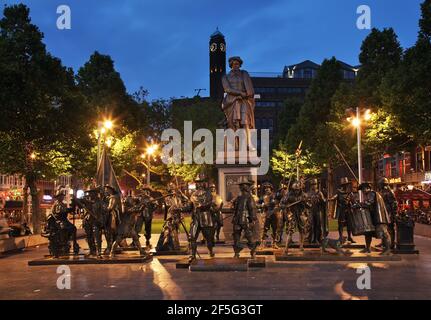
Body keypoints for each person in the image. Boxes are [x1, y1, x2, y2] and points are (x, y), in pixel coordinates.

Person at [222, 56, 255, 148]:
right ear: (231, 65)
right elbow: (227, 89)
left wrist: (247, 95)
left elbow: (249, 89)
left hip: (244, 101)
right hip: (231, 102)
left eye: (238, 64)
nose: (236, 66)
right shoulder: (225, 77)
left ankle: (248, 143)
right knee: (233, 124)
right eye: (234, 64)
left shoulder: (244, 74)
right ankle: (235, 144)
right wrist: (240, 93)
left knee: (245, 122)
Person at [185, 174, 216, 261]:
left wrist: (200, 206)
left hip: (205, 218)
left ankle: (210, 250)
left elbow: (208, 204)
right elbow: (189, 207)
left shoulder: (208, 193)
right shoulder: (193, 195)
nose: (199, 184)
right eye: (197, 182)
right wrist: (179, 209)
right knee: (192, 237)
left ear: (204, 183)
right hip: (195, 219)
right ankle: (193, 255)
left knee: (209, 238)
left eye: (201, 182)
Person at [357, 183, 392, 255]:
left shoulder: (372, 193)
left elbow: (369, 203)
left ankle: (388, 249)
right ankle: (367, 248)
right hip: (374, 217)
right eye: (362, 190)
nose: (362, 191)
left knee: (384, 233)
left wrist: (358, 205)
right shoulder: (370, 194)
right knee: (368, 233)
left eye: (363, 189)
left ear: (368, 188)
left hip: (379, 217)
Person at [43, 188, 79, 257]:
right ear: (58, 197)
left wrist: (72, 208)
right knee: (62, 229)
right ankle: (63, 243)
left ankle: (74, 243)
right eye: (61, 196)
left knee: (73, 228)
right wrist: (68, 210)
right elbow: (59, 212)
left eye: (62, 196)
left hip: (64, 220)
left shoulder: (62, 204)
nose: (62, 197)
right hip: (59, 220)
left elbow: (65, 211)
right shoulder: (56, 204)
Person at [280, 182, 311, 254]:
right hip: (292, 214)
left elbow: (309, 205)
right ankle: (286, 248)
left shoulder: (304, 195)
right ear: (293, 189)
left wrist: (305, 202)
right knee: (290, 231)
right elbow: (282, 203)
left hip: (301, 214)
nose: (296, 191)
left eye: (298, 190)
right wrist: (283, 206)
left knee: (302, 230)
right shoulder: (288, 195)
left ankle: (301, 246)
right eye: (295, 190)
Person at [231, 177, 258, 259]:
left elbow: (252, 208)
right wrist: (233, 207)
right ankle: (236, 253)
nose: (241, 187)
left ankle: (253, 251)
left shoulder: (249, 197)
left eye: (243, 186)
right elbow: (234, 208)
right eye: (241, 186)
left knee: (249, 236)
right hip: (237, 219)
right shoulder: (238, 198)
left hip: (246, 219)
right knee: (236, 236)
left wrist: (253, 219)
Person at [329, 177, 356, 244]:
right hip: (342, 211)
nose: (345, 186)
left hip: (348, 211)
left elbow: (354, 202)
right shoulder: (339, 193)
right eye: (344, 185)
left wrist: (354, 205)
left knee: (349, 224)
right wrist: (330, 199)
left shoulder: (350, 193)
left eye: (346, 185)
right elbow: (334, 197)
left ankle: (349, 236)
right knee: (341, 224)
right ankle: (340, 237)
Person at [377, 178, 397, 249]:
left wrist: (393, 214)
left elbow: (394, 203)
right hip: (383, 211)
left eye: (380, 184)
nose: (379, 185)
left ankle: (391, 244)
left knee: (390, 228)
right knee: (384, 228)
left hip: (389, 212)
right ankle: (383, 242)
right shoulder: (381, 191)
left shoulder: (389, 192)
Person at [260, 182, 280, 248]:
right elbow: (258, 204)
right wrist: (262, 205)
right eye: (265, 188)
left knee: (275, 229)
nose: (267, 189)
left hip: (274, 214)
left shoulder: (275, 195)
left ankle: (274, 243)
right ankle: (262, 243)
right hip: (267, 214)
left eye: (268, 188)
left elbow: (277, 203)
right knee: (265, 229)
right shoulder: (262, 197)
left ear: (271, 189)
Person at [308, 179, 328, 244]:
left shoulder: (319, 193)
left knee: (318, 225)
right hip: (311, 211)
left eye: (315, 184)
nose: (314, 186)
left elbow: (324, 202)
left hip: (318, 211)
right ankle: (312, 238)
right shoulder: (309, 193)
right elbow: (306, 202)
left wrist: (323, 197)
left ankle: (317, 238)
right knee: (312, 225)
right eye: (312, 184)